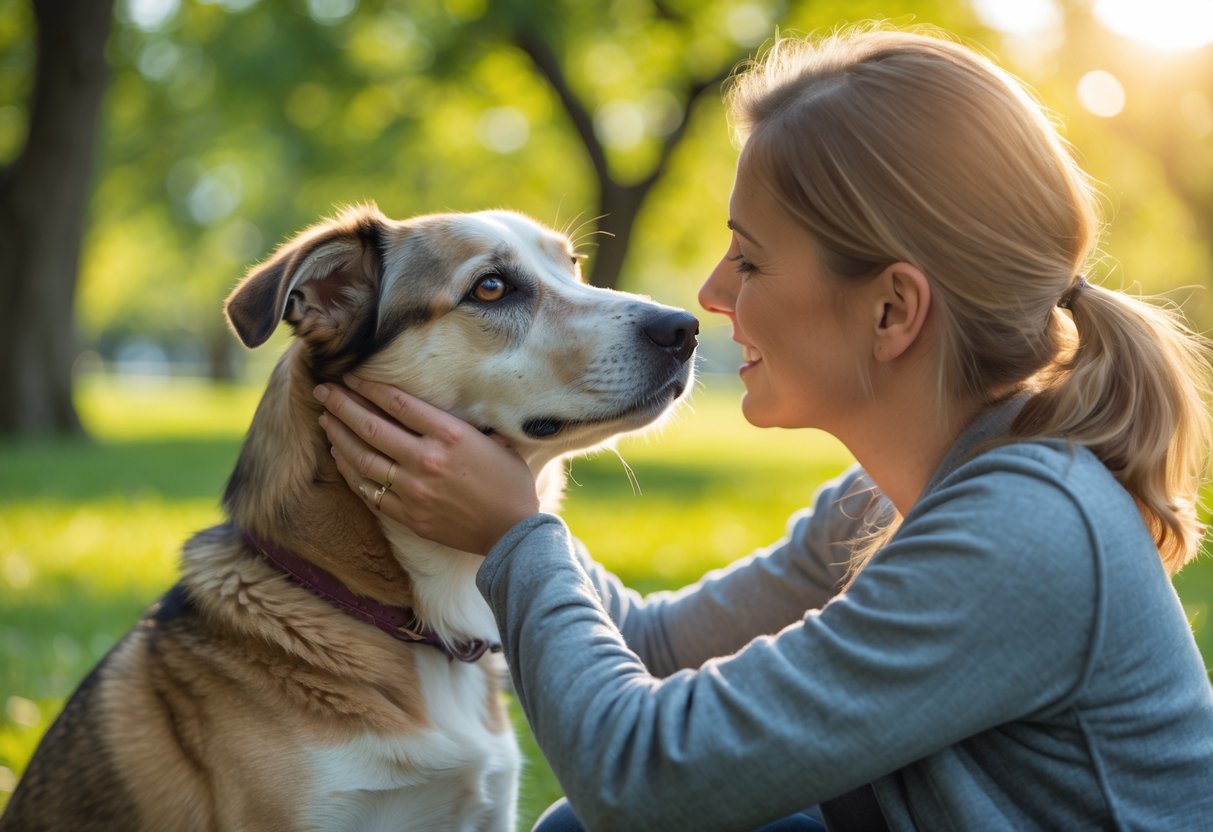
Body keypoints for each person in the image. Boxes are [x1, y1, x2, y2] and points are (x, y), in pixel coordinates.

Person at [315, 25, 1213, 831]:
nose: (707, 294)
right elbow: (653, 648)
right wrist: (487, 476)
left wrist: (516, 537)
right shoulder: (894, 499)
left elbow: (643, 782)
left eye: (749, 257)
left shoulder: (1026, 534)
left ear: (892, 311)